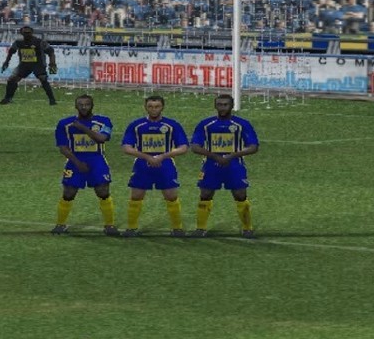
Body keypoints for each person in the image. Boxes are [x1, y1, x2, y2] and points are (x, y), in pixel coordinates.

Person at [190, 93, 260, 238]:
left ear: (232, 106)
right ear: (215, 106)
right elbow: (195, 146)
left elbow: (253, 147)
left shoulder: (242, 124)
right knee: (205, 194)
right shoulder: (206, 124)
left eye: (225, 105)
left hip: (234, 165)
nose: (222, 108)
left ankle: (247, 228)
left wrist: (232, 155)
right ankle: (200, 228)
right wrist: (215, 156)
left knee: (240, 195)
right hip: (211, 164)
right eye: (219, 105)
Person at [120, 94, 190, 236]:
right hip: (142, 164)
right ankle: (131, 228)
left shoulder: (172, 125)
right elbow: (126, 147)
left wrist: (163, 156)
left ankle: (177, 228)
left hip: (165, 164)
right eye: (150, 106)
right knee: (136, 196)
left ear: (162, 107)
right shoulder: (136, 125)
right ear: (145, 107)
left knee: (171, 196)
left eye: (157, 106)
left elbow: (183, 147)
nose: (153, 109)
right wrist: (147, 157)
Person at [52, 94, 119, 235]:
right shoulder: (64, 124)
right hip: (75, 160)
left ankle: (109, 225)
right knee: (69, 192)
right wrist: (77, 163)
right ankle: (60, 225)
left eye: (87, 104)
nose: (84, 107)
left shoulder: (104, 121)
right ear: (76, 106)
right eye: (80, 105)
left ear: (92, 105)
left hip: (97, 160)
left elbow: (102, 139)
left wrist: (83, 128)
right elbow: (63, 148)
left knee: (103, 191)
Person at [0, 24, 58, 105]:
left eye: (28, 33)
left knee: (43, 79)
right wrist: (6, 62)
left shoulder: (39, 42)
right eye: (25, 33)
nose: (27, 34)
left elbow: (51, 52)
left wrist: (52, 63)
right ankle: (7, 98)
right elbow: (11, 52)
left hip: (38, 64)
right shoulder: (18, 43)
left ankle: (52, 100)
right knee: (12, 79)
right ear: (22, 33)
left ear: (32, 32)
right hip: (24, 64)